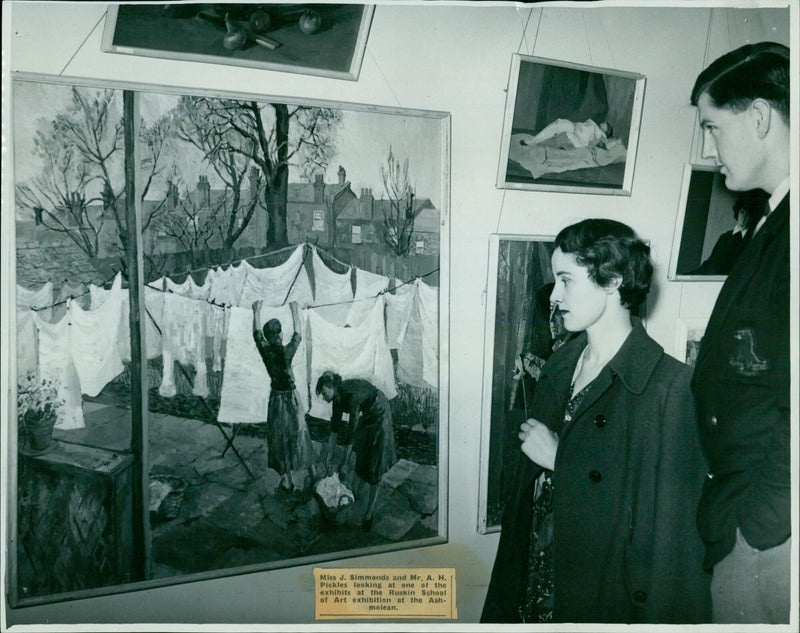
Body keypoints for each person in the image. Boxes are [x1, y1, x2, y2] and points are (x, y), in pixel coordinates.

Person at [482, 219, 710, 624]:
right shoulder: (560, 363)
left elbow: (671, 550)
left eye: (566, 280)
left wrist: (561, 461)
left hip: (602, 595)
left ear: (613, 281)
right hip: (536, 579)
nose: (554, 296)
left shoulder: (672, 389)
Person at [689, 42, 790, 624]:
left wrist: (761, 526)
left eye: (711, 126)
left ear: (757, 117)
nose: (708, 148)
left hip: (767, 538)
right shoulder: (775, 219)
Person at [316, 371, 397, 532]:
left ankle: (369, 514)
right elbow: (334, 428)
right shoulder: (337, 398)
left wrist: (344, 463)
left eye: (325, 393)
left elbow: (350, 434)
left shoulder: (352, 397)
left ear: (333, 387)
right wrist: (328, 456)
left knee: (375, 464)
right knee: (362, 456)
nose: (324, 398)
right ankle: (355, 495)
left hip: (380, 412)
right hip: (368, 414)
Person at [252, 299, 312, 494]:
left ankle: (287, 480)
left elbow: (256, 334)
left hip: (276, 400)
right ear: (280, 335)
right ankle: (311, 470)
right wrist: (295, 310)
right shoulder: (286, 352)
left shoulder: (266, 351)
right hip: (291, 399)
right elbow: (298, 335)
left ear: (268, 337)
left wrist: (256, 310)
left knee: (280, 439)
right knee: (299, 433)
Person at [690, 189, 769, 275]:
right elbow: (710, 264)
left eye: (748, 214)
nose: (744, 218)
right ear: (737, 212)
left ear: (753, 216)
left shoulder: (754, 239)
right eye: (742, 212)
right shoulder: (725, 238)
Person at [527, 118, 614, 149]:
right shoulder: (595, 126)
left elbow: (605, 143)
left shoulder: (601, 136)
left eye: (605, 124)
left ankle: (536, 143)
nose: (603, 122)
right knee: (559, 122)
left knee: (564, 135)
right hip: (574, 127)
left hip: (577, 136)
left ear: (606, 130)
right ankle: (534, 141)